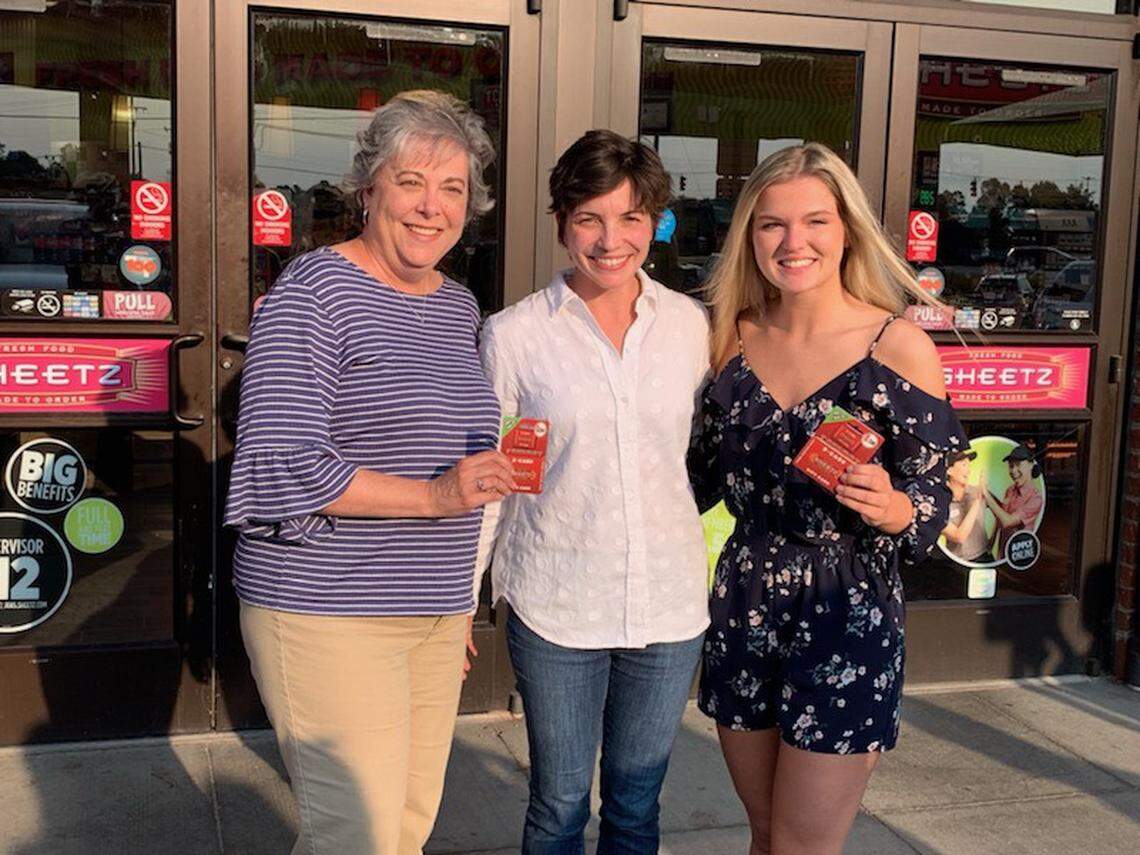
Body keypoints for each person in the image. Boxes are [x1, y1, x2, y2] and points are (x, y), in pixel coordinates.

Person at [224, 90, 516, 855]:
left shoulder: (457, 306)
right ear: (368, 189)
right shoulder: (314, 294)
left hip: (430, 612)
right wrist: (433, 495)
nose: (431, 207)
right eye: (411, 181)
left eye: (452, 188)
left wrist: (452, 604)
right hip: (328, 607)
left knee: (407, 826)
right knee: (354, 836)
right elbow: (283, 462)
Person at [688, 142, 967, 855]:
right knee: (763, 832)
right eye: (771, 224)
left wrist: (894, 506)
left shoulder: (896, 346)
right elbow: (689, 479)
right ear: (749, 235)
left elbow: (943, 496)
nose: (793, 242)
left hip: (848, 607)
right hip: (744, 599)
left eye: (815, 220)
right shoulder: (728, 339)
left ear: (847, 229)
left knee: (803, 844)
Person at [478, 129, 711, 854]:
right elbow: (492, 479)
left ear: (656, 223)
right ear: (561, 224)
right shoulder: (514, 334)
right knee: (559, 804)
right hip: (556, 604)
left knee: (638, 805)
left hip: (668, 605)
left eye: (631, 218)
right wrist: (466, 598)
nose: (611, 240)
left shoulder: (692, 325)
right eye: (590, 219)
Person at [984, 444, 1044, 555]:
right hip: (1002, 553)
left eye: (1018, 465)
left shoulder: (1036, 499)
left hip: (1018, 555)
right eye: (1011, 466)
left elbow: (1008, 521)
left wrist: (986, 495)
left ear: (1031, 465)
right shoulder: (1010, 490)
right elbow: (1000, 516)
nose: (1013, 470)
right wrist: (991, 541)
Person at [942, 448, 991, 564]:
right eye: (964, 465)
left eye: (969, 465)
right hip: (956, 563)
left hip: (984, 558)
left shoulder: (976, 491)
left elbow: (1003, 511)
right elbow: (959, 536)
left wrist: (992, 540)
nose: (968, 470)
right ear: (949, 470)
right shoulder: (940, 501)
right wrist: (978, 500)